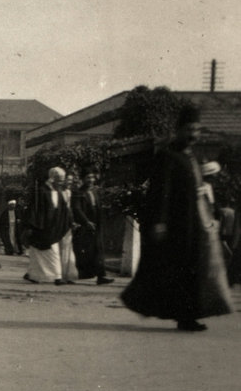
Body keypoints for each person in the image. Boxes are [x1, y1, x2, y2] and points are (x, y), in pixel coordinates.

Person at [121, 105, 233, 331]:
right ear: (179, 130)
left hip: (193, 224)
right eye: (190, 129)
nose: (194, 135)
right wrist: (160, 222)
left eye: (197, 130)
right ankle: (184, 317)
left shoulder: (190, 157)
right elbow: (161, 191)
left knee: (190, 270)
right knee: (178, 270)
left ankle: (187, 316)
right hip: (175, 225)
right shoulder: (168, 156)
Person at [23, 166, 71, 285]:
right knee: (50, 252)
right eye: (59, 180)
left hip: (53, 227)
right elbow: (34, 209)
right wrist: (32, 225)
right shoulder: (41, 191)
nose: (61, 183)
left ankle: (33, 275)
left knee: (44, 254)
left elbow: (63, 210)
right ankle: (57, 277)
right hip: (41, 227)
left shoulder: (58, 192)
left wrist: (69, 221)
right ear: (52, 178)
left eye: (62, 180)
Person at [71, 171, 113, 284]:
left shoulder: (95, 191)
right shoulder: (78, 193)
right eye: (88, 177)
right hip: (84, 226)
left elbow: (98, 207)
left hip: (96, 224)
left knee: (98, 249)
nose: (91, 180)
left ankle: (101, 276)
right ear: (83, 179)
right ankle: (82, 274)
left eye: (92, 177)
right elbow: (77, 209)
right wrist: (86, 222)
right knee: (86, 251)